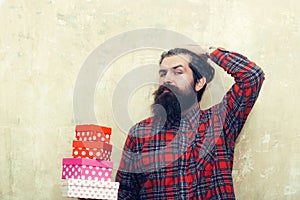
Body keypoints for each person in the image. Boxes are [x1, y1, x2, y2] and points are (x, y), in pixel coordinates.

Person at [115, 46, 265, 199]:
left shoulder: (220, 121)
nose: (167, 79)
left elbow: (252, 76)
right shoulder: (139, 133)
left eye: (178, 72)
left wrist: (209, 51)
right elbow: (125, 192)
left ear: (199, 82)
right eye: (163, 73)